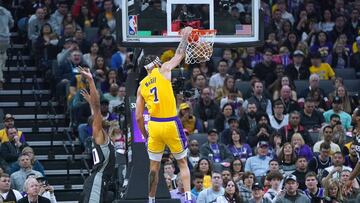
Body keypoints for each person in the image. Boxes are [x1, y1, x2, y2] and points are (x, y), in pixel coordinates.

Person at [135, 27, 193, 203]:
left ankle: (151, 200)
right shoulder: (165, 69)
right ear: (156, 64)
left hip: (154, 125)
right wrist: (185, 36)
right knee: (182, 162)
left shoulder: (142, 85)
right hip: (170, 123)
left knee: (154, 167)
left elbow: (138, 116)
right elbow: (179, 55)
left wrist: (145, 135)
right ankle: (189, 198)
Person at [77, 67, 115, 203]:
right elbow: (97, 107)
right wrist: (91, 80)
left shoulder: (102, 134)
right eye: (98, 118)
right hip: (97, 180)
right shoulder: (98, 133)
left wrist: (90, 102)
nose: (100, 118)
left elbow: (95, 109)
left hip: (102, 180)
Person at [0, 5, 14, 89]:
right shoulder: (6, 11)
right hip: (5, 38)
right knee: (2, 56)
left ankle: (0, 79)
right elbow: (11, 24)